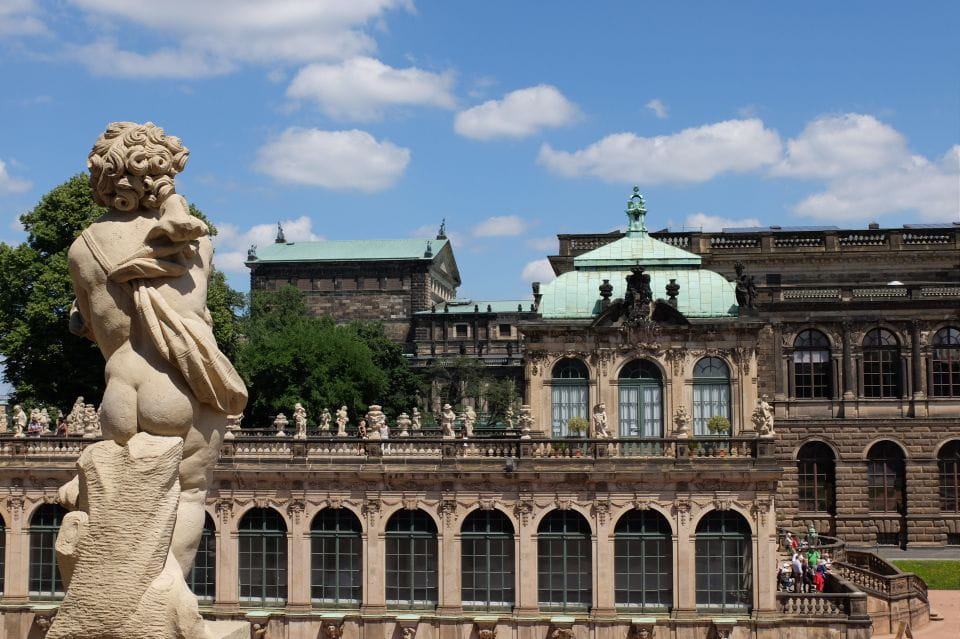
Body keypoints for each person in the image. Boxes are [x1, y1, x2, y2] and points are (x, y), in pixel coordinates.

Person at [63, 122, 248, 580]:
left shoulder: (81, 250)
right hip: (177, 389)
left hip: (121, 388)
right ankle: (162, 599)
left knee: (118, 504)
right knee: (186, 493)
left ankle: (114, 594)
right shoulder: (195, 244)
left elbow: (86, 323)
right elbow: (193, 315)